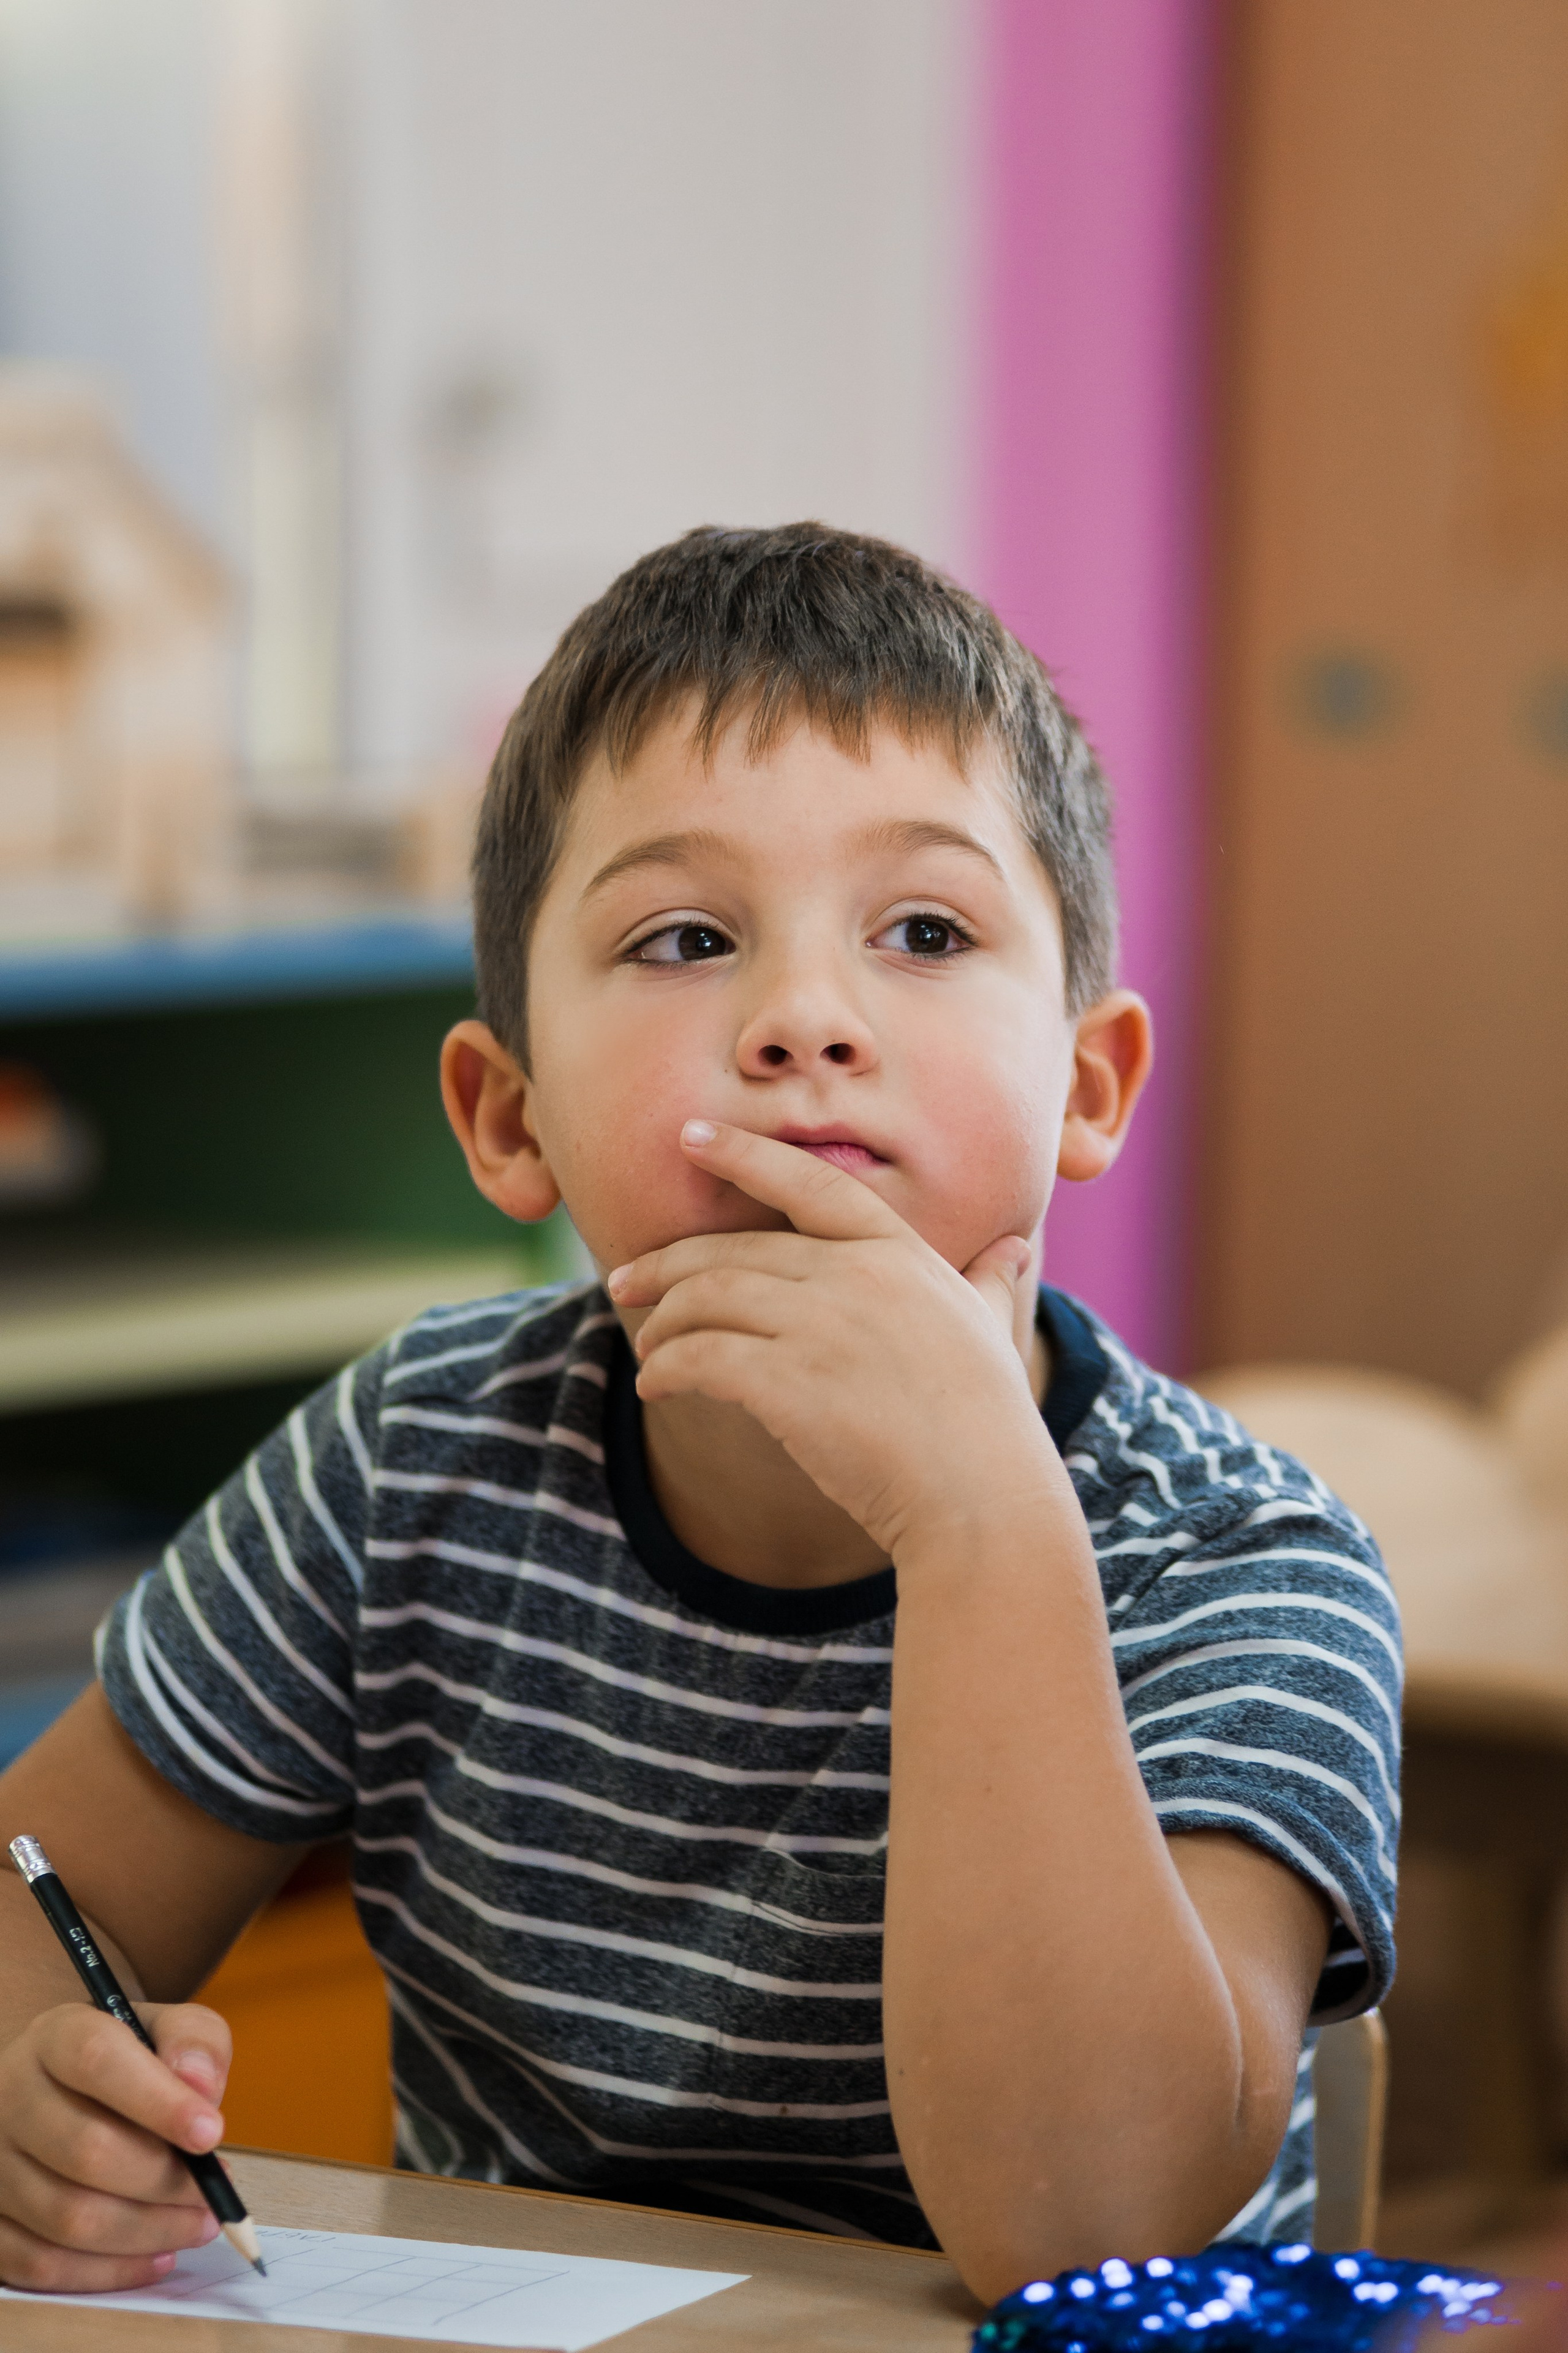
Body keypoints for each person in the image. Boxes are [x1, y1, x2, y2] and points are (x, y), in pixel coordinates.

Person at [0, 524, 1399, 2306]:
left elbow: (1095, 2237)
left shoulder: (1249, 1564)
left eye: (923, 928)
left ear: (1090, 1081)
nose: (806, 1018)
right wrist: (31, 2083)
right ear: (506, 1118)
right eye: (684, 936)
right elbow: (43, 1901)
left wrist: (980, 1523)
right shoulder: (413, 1459)